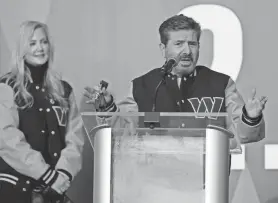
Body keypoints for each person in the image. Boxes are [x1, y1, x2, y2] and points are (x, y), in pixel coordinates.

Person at [84, 14, 267, 144]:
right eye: (179, 44)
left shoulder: (221, 83)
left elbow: (243, 135)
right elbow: (124, 135)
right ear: (163, 49)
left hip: (208, 185)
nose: (187, 51)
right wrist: (107, 109)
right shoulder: (142, 85)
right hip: (153, 184)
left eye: (192, 44)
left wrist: (251, 117)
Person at [0, 21, 84, 203]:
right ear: (22, 49)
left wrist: (63, 174)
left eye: (43, 42)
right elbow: (7, 141)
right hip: (14, 191)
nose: (40, 48)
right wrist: (47, 175)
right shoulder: (7, 87)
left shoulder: (64, 90)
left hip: (52, 191)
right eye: (32, 43)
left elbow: (75, 140)